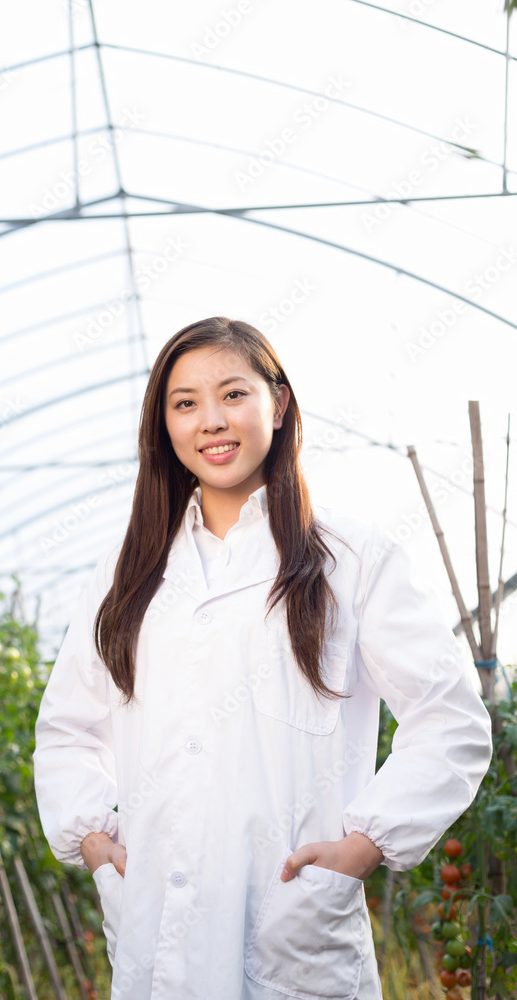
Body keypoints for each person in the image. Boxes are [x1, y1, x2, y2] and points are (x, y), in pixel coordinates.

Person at [33, 316, 493, 1000]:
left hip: (294, 929)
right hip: (155, 928)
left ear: (277, 405)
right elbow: (67, 729)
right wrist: (96, 842)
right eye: (184, 404)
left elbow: (449, 721)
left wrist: (362, 846)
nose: (210, 422)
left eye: (233, 395)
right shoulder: (127, 572)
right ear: (164, 426)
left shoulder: (349, 557)